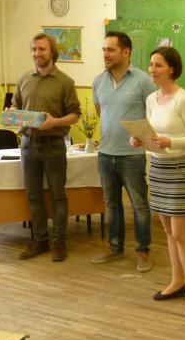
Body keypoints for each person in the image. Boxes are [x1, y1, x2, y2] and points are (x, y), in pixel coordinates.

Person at [130, 46, 185, 315]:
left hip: (180, 169)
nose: (152, 69)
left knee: (181, 233)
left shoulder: (184, 99)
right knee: (169, 232)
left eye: (158, 65)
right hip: (159, 168)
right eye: (151, 64)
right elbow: (152, 133)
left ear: (172, 69)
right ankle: (176, 281)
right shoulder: (151, 99)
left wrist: (170, 141)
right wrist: (139, 139)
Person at [91, 31, 156, 272]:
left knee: (139, 205)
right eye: (104, 50)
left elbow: (154, 114)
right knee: (111, 204)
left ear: (126, 52)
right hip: (105, 154)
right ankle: (115, 247)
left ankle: (143, 252)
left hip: (131, 156)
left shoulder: (143, 81)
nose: (105, 54)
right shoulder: (98, 81)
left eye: (111, 50)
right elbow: (101, 112)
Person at [13, 33, 81, 261]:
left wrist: (54, 122)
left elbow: (74, 115)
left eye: (41, 49)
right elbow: (15, 107)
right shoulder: (23, 79)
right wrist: (13, 115)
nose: (36, 53)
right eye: (33, 49)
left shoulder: (65, 82)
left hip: (54, 146)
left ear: (52, 52)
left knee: (58, 196)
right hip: (28, 146)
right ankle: (40, 240)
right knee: (33, 195)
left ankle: (59, 241)